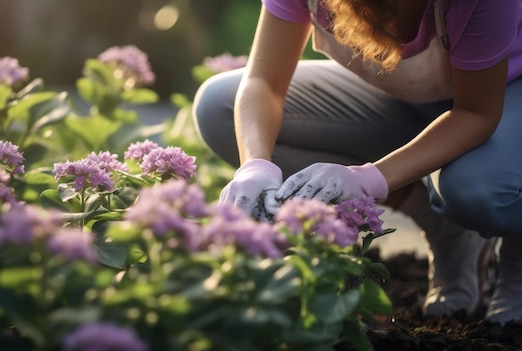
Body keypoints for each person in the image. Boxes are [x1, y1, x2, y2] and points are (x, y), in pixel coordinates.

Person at [192, 0, 522, 325]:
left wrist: (371, 179)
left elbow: (476, 113)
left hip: (502, 97)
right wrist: (255, 165)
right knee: (218, 107)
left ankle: (517, 265)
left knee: (478, 189)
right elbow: (264, 83)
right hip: (408, 99)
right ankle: (446, 230)